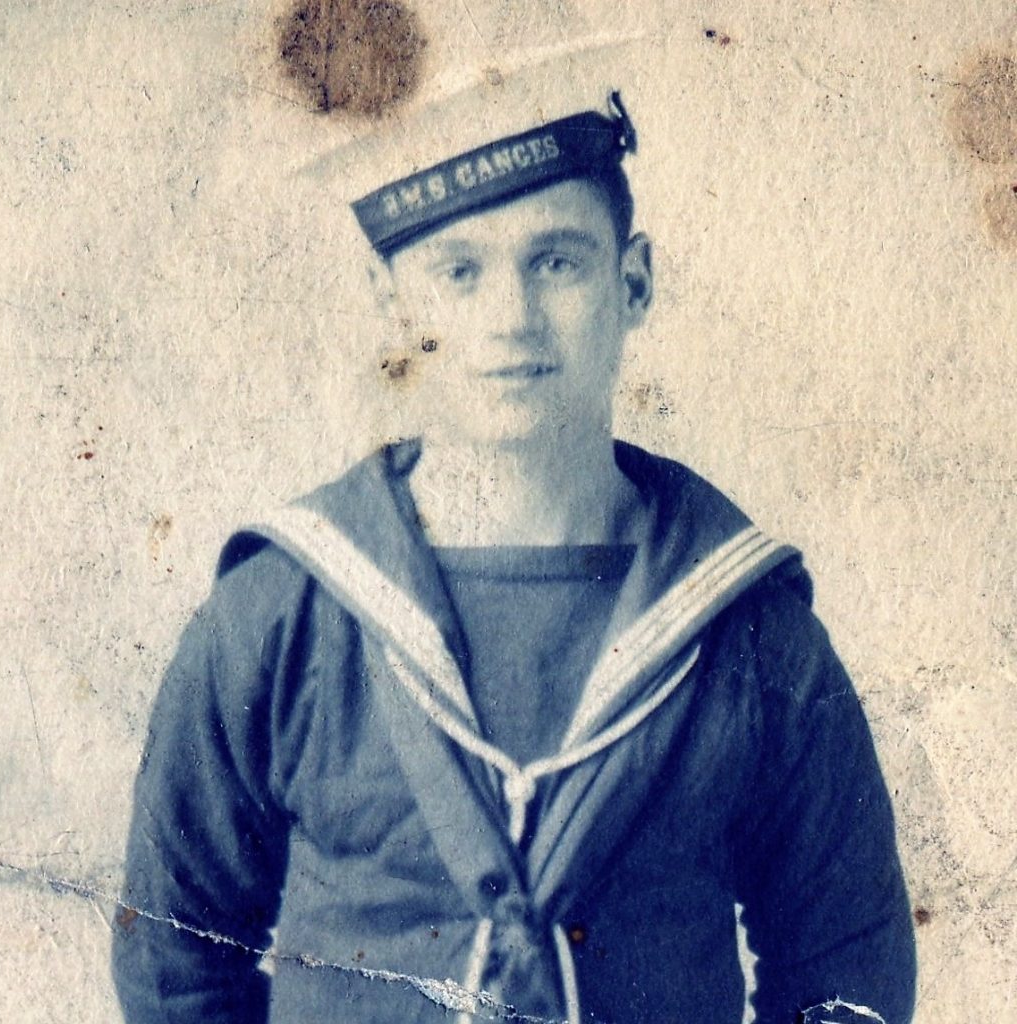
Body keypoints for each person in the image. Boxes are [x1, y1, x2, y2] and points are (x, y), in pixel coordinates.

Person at [112, 90, 917, 1024]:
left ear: (634, 283)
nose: (512, 318)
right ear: (392, 304)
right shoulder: (278, 616)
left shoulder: (753, 633)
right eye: (459, 272)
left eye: (556, 261)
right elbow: (172, 959)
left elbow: (847, 972)